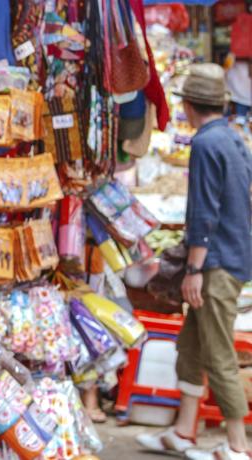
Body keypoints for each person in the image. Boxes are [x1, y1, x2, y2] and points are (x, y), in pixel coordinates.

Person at [136, 63, 252, 460]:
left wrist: (196, 269)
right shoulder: (234, 138)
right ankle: (184, 431)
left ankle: (238, 446)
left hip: (216, 264)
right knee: (191, 345)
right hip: (233, 257)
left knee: (218, 353)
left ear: (186, 105)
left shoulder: (205, 144)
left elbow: (203, 213)